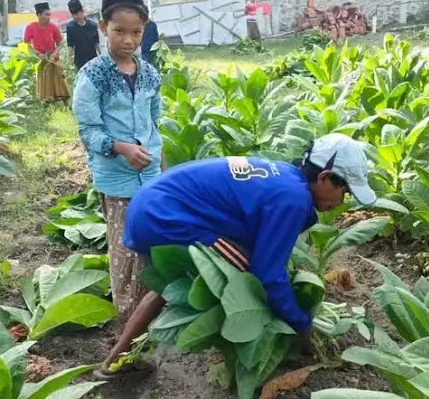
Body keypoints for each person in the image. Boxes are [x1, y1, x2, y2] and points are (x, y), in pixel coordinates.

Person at [93, 133, 377, 379]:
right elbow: (268, 273)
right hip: (165, 218)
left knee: (163, 291)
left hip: (152, 206)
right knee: (243, 269)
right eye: (345, 191)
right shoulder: (293, 198)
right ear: (325, 178)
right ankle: (125, 362)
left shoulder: (285, 177)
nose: (343, 202)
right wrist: (302, 324)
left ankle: (113, 364)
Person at [72, 0, 164, 329]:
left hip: (150, 176)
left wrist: (160, 163)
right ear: (103, 28)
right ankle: (128, 322)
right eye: (119, 31)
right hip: (118, 179)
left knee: (151, 249)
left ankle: (151, 314)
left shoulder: (150, 74)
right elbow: (89, 131)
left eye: (136, 32)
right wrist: (121, 147)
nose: (128, 40)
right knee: (125, 254)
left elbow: (155, 122)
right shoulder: (92, 76)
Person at [24, 2, 70, 104]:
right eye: (46, 14)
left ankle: (68, 107)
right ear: (38, 15)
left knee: (61, 82)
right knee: (45, 85)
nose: (49, 17)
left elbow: (60, 43)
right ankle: (48, 106)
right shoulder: (30, 27)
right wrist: (38, 54)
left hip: (54, 59)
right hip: (41, 60)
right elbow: (27, 45)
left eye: (49, 14)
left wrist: (54, 54)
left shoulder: (53, 27)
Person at [66, 0, 100, 71]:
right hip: (79, 62)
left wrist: (100, 56)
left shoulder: (92, 25)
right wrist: (69, 60)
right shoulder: (70, 27)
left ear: (82, 11)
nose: (75, 16)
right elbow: (70, 45)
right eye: (73, 14)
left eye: (77, 13)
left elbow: (96, 42)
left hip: (93, 60)